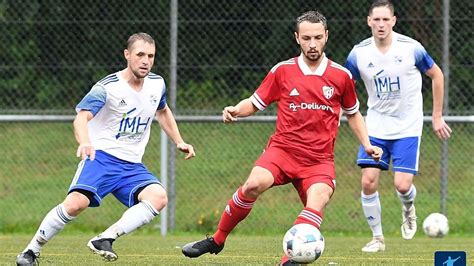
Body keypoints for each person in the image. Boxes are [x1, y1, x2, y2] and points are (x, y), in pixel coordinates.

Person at [181, 11, 383, 265]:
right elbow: (255, 102)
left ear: (326, 37)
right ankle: (217, 239)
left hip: (318, 159)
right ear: (297, 38)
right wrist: (236, 110)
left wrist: (367, 145)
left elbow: (353, 114)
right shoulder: (283, 71)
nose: (312, 44)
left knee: (318, 198)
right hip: (282, 151)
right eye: (307, 38)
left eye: (318, 37)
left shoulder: (341, 76)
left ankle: (290, 259)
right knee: (253, 184)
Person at [15, 32, 195, 265]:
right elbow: (81, 118)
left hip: (131, 165)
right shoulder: (107, 87)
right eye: (140, 55)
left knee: (158, 197)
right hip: (101, 158)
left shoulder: (156, 84)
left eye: (151, 56)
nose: (146, 61)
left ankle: (105, 238)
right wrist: (85, 142)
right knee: (75, 204)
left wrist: (179, 140)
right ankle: (30, 251)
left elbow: (162, 111)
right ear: (127, 55)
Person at [344, 0, 452, 253]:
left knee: (402, 185)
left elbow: (437, 75)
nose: (381, 24)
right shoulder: (359, 54)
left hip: (407, 127)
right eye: (376, 19)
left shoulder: (411, 48)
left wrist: (436, 116)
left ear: (394, 21)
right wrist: (342, 108)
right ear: (368, 21)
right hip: (375, 126)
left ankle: (408, 208)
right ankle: (377, 239)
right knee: (369, 181)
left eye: (386, 19)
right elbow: (344, 84)